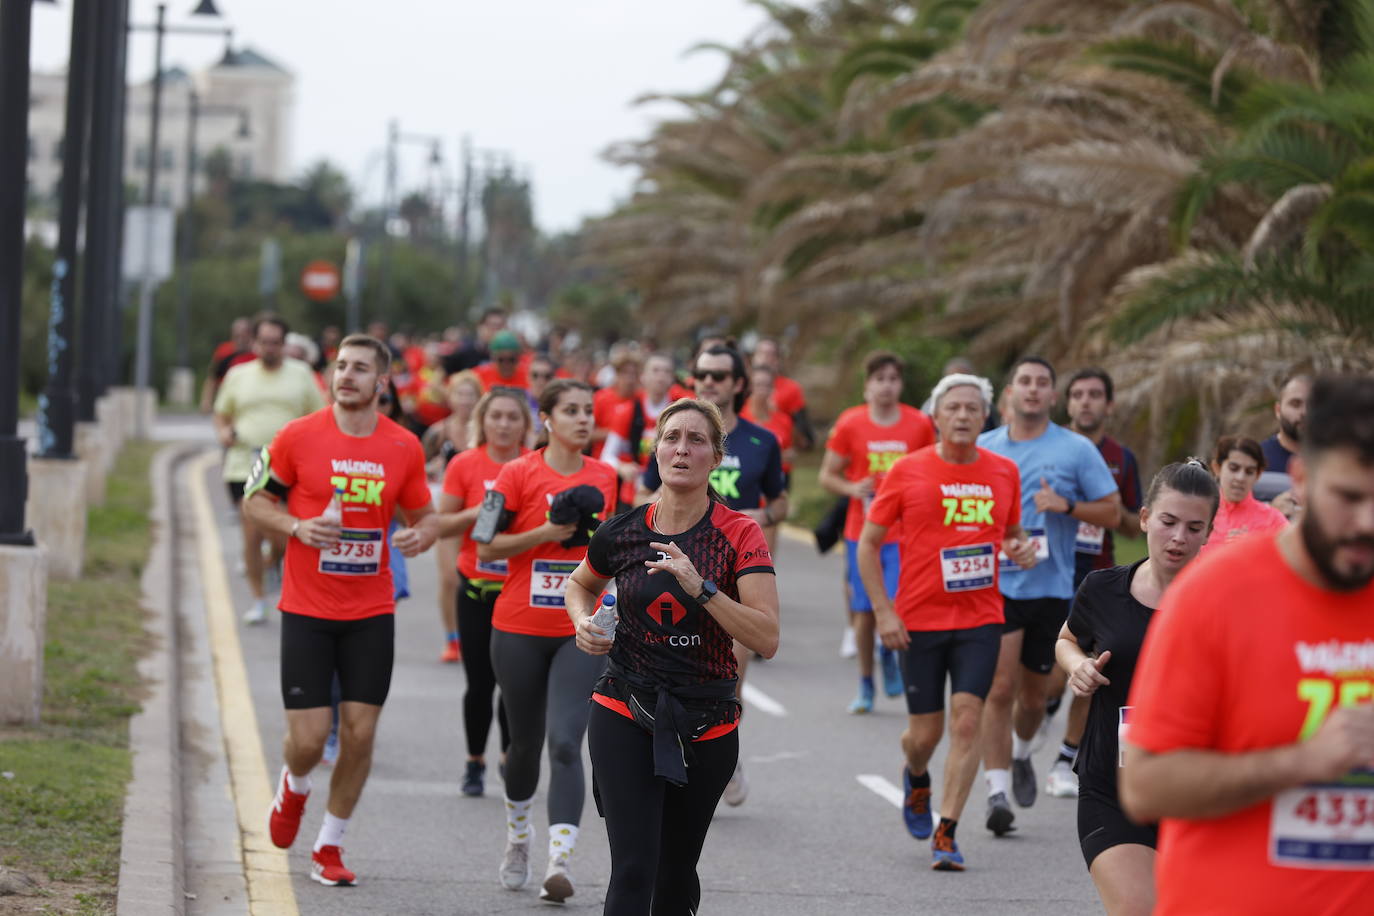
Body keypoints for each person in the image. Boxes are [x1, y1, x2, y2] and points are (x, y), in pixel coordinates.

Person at [1120, 374, 1374, 914]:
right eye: (1349, 497)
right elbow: (1146, 786)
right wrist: (1304, 761)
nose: (1367, 523)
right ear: (1301, 479)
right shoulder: (1216, 595)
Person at [567, 398, 780, 914]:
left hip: (706, 720)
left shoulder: (739, 534)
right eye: (671, 438)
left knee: (674, 873)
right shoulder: (623, 530)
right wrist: (582, 621)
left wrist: (701, 587)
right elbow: (579, 584)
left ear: (715, 457)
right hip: (624, 705)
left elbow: (766, 637)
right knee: (634, 868)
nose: (681, 449)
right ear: (656, 451)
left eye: (696, 440)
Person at [243, 333, 440, 887]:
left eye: (360, 368)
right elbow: (255, 500)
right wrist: (297, 527)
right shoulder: (297, 437)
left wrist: (419, 537)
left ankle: (329, 844)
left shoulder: (402, 446)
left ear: (381, 382)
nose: (347, 375)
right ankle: (295, 785)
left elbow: (422, 514)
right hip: (306, 607)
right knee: (307, 742)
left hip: (371, 611)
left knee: (359, 734)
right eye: (341, 366)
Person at [862, 374, 1034, 870]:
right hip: (918, 619)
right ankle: (916, 778)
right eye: (953, 408)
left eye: (972, 408)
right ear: (935, 417)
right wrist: (884, 612)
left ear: (986, 417)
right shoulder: (907, 471)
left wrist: (1018, 549)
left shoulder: (1004, 472)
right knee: (924, 736)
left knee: (967, 720)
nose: (962, 416)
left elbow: (1013, 533)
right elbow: (870, 545)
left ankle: (947, 831)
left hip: (982, 618)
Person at [474, 379, 619, 903]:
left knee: (565, 742)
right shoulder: (515, 474)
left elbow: (618, 548)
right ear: (548, 419)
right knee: (524, 748)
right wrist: (544, 535)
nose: (584, 419)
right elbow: (484, 545)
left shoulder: (608, 478)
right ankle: (518, 837)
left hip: (578, 632)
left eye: (589, 411)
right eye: (572, 411)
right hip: (516, 628)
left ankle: (559, 862)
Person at [1056, 460, 1219, 914]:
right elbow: (1068, 639)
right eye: (1168, 522)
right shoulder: (1103, 589)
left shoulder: (1225, 601)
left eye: (1193, 527)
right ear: (1145, 518)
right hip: (1113, 788)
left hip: (1200, 796)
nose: (1178, 538)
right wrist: (1077, 666)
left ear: (1209, 532)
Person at [636, 345, 787, 808]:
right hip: (675, 566)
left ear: (738, 383)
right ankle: (669, 748)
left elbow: (781, 504)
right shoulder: (676, 433)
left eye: (719, 375)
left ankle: (722, 742)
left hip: (735, 575)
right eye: (701, 373)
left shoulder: (763, 441)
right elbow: (648, 487)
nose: (709, 382)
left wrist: (757, 514)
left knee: (730, 666)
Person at [976, 356, 1121, 833]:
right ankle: (997, 792)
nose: (1033, 390)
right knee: (998, 689)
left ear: (1052, 396)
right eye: (1025, 382)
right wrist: (999, 541)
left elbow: (1113, 512)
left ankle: (1021, 753)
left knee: (1035, 699)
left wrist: (1067, 505)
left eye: (1042, 383)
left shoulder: (1076, 450)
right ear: (1010, 392)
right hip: (995, 587)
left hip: (1052, 587)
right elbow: (961, 519)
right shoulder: (984, 448)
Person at [1041, 367, 1144, 799]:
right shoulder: (1050, 448)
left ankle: (1066, 756)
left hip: (1096, 574)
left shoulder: (1121, 457)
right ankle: (1043, 710)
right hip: (1049, 570)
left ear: (1109, 404)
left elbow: (1131, 525)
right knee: (1048, 674)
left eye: (1095, 394)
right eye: (1078, 394)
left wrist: (1085, 507)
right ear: (1068, 403)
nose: (1086, 401)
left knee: (1091, 664)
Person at [819, 350, 936, 714]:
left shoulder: (918, 424)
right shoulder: (851, 423)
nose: (887, 386)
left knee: (900, 604)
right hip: (862, 533)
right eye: (879, 379)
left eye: (893, 379)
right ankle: (866, 683)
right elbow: (827, 475)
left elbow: (933, 471)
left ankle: (890, 656)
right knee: (865, 612)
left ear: (900, 385)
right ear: (867, 385)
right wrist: (853, 489)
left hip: (904, 534)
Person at [437, 388, 532, 796]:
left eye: (513, 417)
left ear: (525, 425)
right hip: (476, 590)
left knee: (516, 685)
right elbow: (443, 523)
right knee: (480, 683)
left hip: (520, 590)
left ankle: (510, 756)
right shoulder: (464, 464)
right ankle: (474, 761)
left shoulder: (534, 465)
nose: (504, 424)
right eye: (496, 416)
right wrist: (489, 508)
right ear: (483, 420)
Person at [212, 314, 325, 624]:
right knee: (251, 532)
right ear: (254, 342)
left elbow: (320, 416)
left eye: (276, 343)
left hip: (288, 466)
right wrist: (223, 431)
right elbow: (222, 413)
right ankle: (259, 598)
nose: (270, 348)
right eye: (264, 342)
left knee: (279, 534)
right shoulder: (238, 374)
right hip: (244, 462)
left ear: (284, 344)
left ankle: (272, 563)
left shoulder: (301, 374)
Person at [601, 353, 677, 511]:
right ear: (643, 376)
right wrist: (622, 467)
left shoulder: (680, 410)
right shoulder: (628, 410)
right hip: (633, 493)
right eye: (655, 370)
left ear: (672, 378)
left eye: (666, 371)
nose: (661, 377)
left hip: (669, 491)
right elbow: (606, 456)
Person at [1204, 434, 1289, 553]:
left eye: (1249, 472)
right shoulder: (1200, 513)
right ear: (1217, 468)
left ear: (1258, 475)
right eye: (1234, 468)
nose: (1240, 477)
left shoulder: (1274, 521)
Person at [751, 335, 814, 450]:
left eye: (770, 354)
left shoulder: (791, 388)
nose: (765, 358)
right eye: (761, 353)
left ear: (777, 359)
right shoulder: (741, 384)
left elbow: (802, 427)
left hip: (780, 442)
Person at [200, 316, 255, 413]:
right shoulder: (224, 351)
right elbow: (213, 377)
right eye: (237, 336)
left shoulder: (258, 354)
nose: (240, 339)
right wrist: (206, 400)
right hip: (228, 398)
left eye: (243, 335)